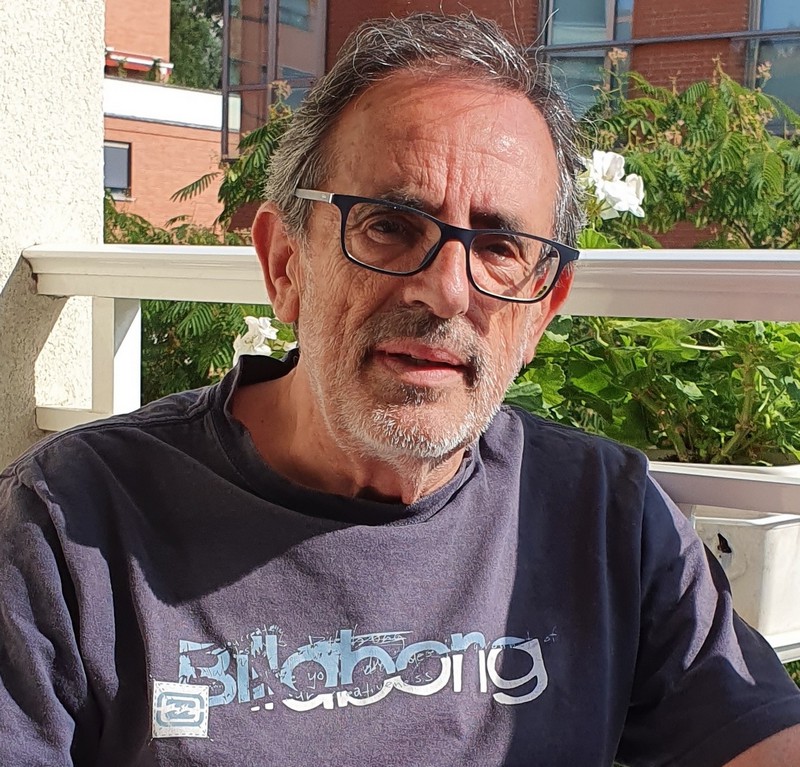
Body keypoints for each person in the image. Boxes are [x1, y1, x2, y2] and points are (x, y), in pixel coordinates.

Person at [1, 12, 799, 767]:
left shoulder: (603, 514)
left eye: (499, 246)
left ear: (541, 312)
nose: (446, 290)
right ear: (285, 264)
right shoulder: (70, 525)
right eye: (388, 225)